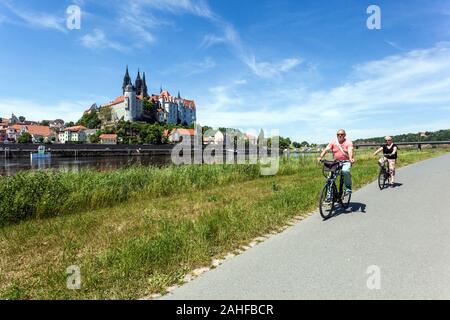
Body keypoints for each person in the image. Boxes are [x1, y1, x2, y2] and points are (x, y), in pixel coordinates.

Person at [317, 129, 355, 194]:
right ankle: (329, 196)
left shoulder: (348, 142)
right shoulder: (333, 142)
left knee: (345, 171)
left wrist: (351, 158)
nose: (340, 136)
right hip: (336, 162)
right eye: (338, 134)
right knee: (330, 178)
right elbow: (326, 149)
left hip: (346, 161)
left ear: (345, 135)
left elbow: (350, 150)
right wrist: (320, 156)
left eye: (342, 134)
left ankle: (348, 188)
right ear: (336, 135)